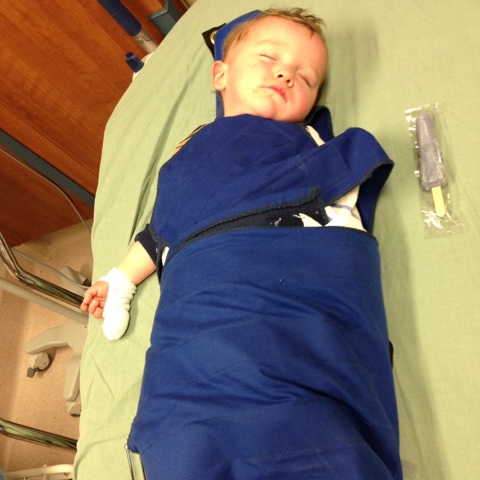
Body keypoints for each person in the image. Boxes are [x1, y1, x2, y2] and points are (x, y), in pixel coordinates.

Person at [82, 8, 402, 479]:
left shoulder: (311, 143)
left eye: (306, 78)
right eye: (269, 58)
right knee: (192, 428)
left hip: (296, 282)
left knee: (321, 429)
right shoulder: (189, 156)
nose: (285, 74)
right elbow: (167, 226)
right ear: (220, 75)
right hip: (205, 299)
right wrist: (120, 280)